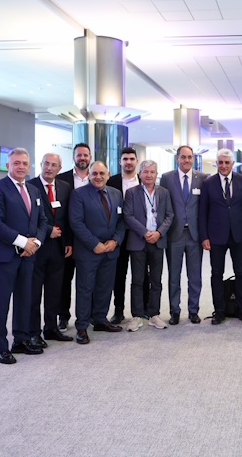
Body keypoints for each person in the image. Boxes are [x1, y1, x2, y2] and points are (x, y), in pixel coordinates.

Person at [0, 148, 48, 363]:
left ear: (29, 167)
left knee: (24, 300)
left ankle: (21, 340)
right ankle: (1, 347)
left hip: (29, 256)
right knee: (0, 304)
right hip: (4, 257)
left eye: (25, 163)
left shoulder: (34, 190)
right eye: (16, 163)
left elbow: (42, 221)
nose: (21, 167)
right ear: (8, 166)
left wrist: (36, 243)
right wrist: (22, 242)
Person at [68, 161, 125, 344]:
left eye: (102, 173)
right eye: (94, 174)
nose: (98, 177)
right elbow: (76, 223)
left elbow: (121, 221)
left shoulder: (116, 194)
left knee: (105, 287)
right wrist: (94, 244)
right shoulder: (79, 194)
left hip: (110, 250)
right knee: (85, 289)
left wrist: (115, 241)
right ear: (89, 175)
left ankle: (100, 319)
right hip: (88, 252)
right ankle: (82, 326)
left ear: (108, 175)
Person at [198, 148, 242, 325]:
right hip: (216, 236)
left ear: (233, 164)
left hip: (239, 235)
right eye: (220, 162)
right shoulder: (208, 183)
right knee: (216, 273)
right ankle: (220, 311)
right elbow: (202, 212)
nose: (223, 166)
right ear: (216, 163)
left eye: (227, 162)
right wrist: (204, 237)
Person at [27, 153, 74, 343]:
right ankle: (33, 332)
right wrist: (48, 231)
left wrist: (68, 241)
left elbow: (67, 217)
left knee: (55, 290)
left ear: (59, 169)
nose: (49, 168)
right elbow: (29, 217)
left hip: (59, 247)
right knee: (34, 292)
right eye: (46, 164)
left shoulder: (65, 187)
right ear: (41, 164)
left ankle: (51, 328)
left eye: (54, 165)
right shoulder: (30, 186)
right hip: (37, 246)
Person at [126, 160, 173, 331]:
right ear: (140, 174)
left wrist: (159, 233)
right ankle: (137, 316)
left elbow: (169, 215)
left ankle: (154, 314)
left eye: (152, 172)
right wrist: (145, 233)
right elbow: (128, 216)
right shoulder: (131, 192)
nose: (149, 175)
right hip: (139, 241)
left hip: (158, 241)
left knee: (156, 280)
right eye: (145, 172)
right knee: (138, 280)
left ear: (156, 174)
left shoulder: (164, 193)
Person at [159, 146, 205, 325]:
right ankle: (174, 311)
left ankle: (194, 310)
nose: (187, 160)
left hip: (194, 235)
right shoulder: (167, 178)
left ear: (193, 159)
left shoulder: (202, 178)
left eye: (190, 157)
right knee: (174, 275)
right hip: (174, 234)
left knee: (195, 276)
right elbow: (162, 205)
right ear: (177, 158)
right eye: (183, 157)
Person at [57, 142, 91, 331]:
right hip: (69, 240)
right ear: (74, 157)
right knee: (65, 280)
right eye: (79, 155)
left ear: (90, 157)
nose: (82, 158)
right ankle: (63, 316)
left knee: (88, 281)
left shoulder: (97, 177)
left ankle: (89, 315)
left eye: (85, 155)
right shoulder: (62, 179)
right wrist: (66, 240)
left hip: (91, 240)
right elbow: (61, 214)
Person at [107, 146, 141, 324]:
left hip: (139, 234)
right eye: (125, 159)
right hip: (118, 234)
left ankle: (141, 310)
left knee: (140, 273)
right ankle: (118, 309)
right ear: (120, 162)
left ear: (137, 162)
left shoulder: (143, 180)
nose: (128, 162)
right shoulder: (111, 181)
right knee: (118, 274)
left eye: (131, 159)